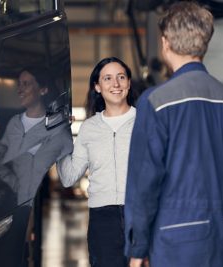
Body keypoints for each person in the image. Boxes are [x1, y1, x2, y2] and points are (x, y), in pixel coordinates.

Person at [124, 2, 223, 267]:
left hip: (170, 241)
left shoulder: (156, 102)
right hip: (217, 238)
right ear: (204, 43)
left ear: (165, 43)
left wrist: (138, 249)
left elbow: (144, 184)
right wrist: (221, 223)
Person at [56, 57, 136, 267]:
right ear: (98, 87)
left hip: (140, 213)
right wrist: (60, 138)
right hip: (103, 219)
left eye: (121, 77)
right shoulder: (89, 128)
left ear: (128, 83)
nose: (115, 84)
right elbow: (68, 177)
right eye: (107, 78)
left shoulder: (145, 120)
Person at [0, 66, 73, 204]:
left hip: (49, 210)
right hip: (22, 207)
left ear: (43, 90)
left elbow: (70, 175)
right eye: (19, 84)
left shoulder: (59, 129)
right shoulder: (14, 125)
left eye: (26, 84)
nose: (20, 89)